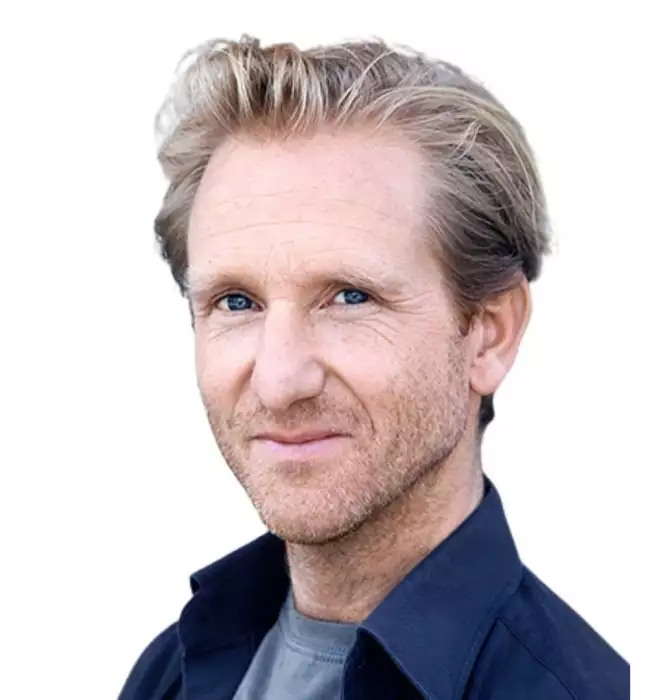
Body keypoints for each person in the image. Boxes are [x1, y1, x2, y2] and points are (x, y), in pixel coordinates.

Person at [119, 35, 629, 700]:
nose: (278, 381)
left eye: (350, 297)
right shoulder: (171, 671)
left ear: (489, 334)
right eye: (236, 302)